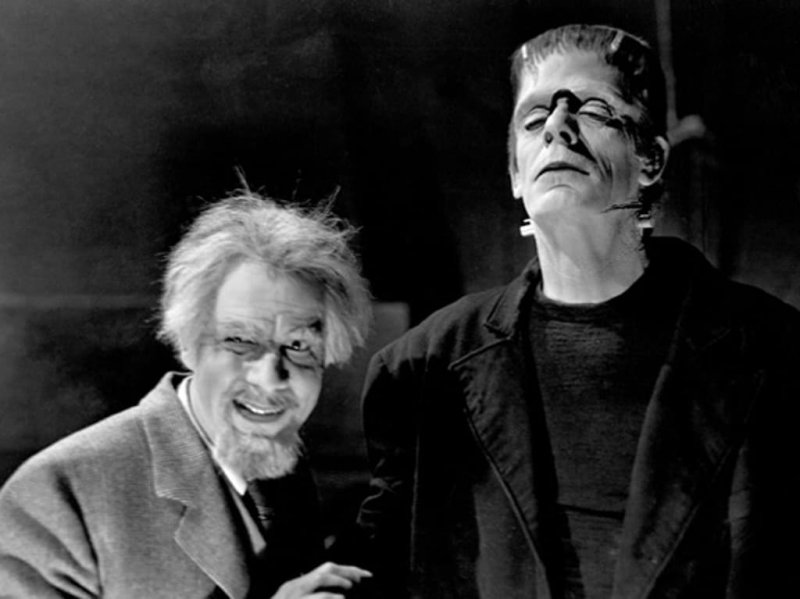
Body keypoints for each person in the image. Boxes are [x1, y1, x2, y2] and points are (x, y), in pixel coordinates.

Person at [353, 24, 800, 598]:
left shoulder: (777, 352)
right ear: (515, 174)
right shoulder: (420, 369)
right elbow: (377, 565)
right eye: (534, 119)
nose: (557, 128)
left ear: (651, 160)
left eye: (592, 109)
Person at [0, 190, 373, 598]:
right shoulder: (54, 494)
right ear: (187, 343)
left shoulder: (286, 471)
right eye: (240, 340)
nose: (271, 379)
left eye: (299, 346)